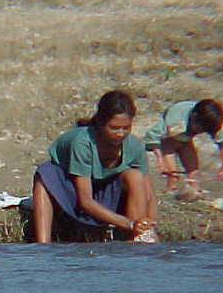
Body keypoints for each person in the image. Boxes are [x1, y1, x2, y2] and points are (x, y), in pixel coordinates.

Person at [32, 90, 157, 243]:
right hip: (73, 191)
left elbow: (148, 193)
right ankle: (42, 245)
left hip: (107, 192)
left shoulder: (134, 146)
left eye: (126, 128)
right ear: (100, 123)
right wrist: (129, 224)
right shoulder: (82, 143)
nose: (120, 134)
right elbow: (85, 201)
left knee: (135, 176)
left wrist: (148, 224)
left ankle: (135, 239)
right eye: (114, 128)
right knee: (45, 173)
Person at [142, 99, 223, 194]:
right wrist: (161, 162)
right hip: (168, 140)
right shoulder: (176, 120)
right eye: (200, 129)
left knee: (194, 176)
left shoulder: (209, 121)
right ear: (194, 117)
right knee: (173, 177)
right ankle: (171, 192)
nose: (201, 132)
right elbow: (152, 135)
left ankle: (194, 194)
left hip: (186, 141)